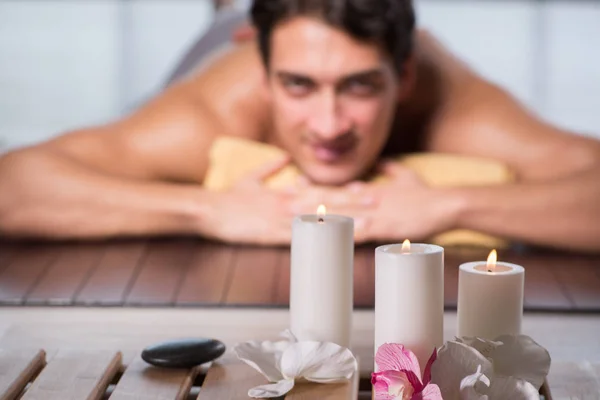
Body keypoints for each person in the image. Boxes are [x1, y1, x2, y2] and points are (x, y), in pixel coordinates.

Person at [0, 0, 599, 252]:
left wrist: (448, 205)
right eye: (298, 86)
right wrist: (205, 209)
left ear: (406, 77)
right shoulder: (211, 112)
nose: (329, 125)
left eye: (361, 86)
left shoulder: (456, 103)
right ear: (263, 76)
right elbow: (14, 186)